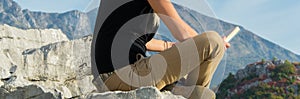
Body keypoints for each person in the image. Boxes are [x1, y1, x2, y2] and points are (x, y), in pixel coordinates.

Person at [91, 0, 230, 98]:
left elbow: (130, 38)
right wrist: (218, 44)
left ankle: (192, 92)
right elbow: (182, 33)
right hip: (123, 73)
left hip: (113, 75)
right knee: (213, 41)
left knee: (204, 95)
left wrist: (169, 46)